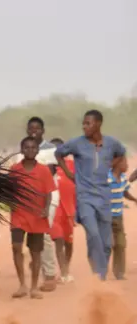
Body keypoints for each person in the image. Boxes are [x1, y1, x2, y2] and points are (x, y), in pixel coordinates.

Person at [54, 110, 126, 280]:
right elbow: (59, 153)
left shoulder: (111, 143)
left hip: (104, 196)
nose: (84, 126)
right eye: (84, 123)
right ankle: (98, 275)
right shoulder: (77, 143)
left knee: (107, 243)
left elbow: (121, 153)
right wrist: (70, 174)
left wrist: (112, 167)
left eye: (88, 123)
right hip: (84, 196)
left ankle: (100, 275)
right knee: (93, 234)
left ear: (98, 124)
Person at [10, 137, 56, 299]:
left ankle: (34, 287)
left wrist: (45, 209)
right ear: (22, 150)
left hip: (37, 216)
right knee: (16, 246)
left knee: (36, 252)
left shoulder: (44, 170)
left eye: (33, 147)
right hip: (19, 215)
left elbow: (48, 193)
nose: (30, 150)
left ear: (37, 150)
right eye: (26, 147)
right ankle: (22, 284)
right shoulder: (14, 169)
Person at [23, 117, 59, 292]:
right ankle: (39, 265)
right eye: (31, 129)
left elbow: (48, 175)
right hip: (29, 200)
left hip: (48, 197)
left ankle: (50, 274)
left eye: (37, 129)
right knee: (32, 235)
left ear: (43, 131)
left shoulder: (50, 150)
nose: (33, 131)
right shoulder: (25, 148)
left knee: (44, 234)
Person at [49, 138, 76, 283]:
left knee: (69, 242)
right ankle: (63, 272)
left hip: (69, 210)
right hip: (54, 211)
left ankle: (66, 267)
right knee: (58, 239)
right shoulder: (47, 167)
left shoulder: (72, 165)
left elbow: (78, 187)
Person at [108, 156, 135, 280]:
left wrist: (134, 200)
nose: (127, 166)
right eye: (125, 163)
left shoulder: (123, 178)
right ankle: (100, 272)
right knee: (108, 244)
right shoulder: (106, 178)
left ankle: (119, 272)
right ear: (117, 163)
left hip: (118, 217)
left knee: (120, 244)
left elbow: (125, 193)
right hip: (106, 217)